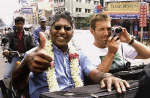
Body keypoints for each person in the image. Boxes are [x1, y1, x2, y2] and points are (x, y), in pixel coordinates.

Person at [12, 11, 130, 98]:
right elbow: (17, 86)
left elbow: (94, 73)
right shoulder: (34, 54)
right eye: (57, 27)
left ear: (72, 32)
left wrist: (107, 77)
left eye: (67, 28)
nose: (62, 31)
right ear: (50, 30)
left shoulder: (79, 55)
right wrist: (25, 66)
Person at [82, 13, 150, 73]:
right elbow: (96, 76)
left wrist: (130, 40)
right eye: (101, 29)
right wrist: (111, 53)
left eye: (108, 29)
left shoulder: (119, 45)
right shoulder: (87, 52)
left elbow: (147, 54)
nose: (106, 33)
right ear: (92, 31)